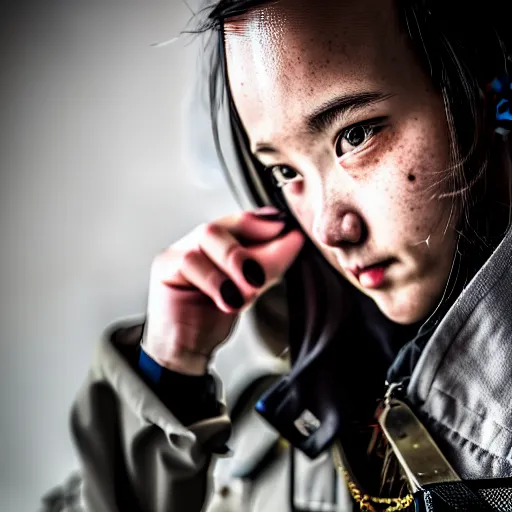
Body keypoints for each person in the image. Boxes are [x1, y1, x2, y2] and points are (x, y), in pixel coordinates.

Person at [41, 0, 512, 511]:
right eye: (285, 172)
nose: (329, 229)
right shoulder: (288, 420)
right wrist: (167, 376)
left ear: (484, 92)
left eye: (355, 135)